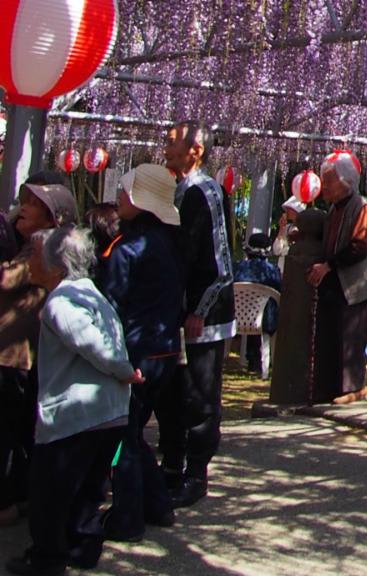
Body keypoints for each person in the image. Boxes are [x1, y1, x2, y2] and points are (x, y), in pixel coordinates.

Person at [9, 226, 133, 576]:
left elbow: (93, 343)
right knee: (88, 492)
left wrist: (124, 370)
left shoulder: (62, 302)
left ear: (57, 264)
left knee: (50, 494)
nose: (29, 262)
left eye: (35, 255)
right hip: (107, 412)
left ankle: (48, 560)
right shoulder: (92, 293)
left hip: (76, 415)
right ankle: (81, 551)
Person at [98, 165, 183, 542]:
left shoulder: (125, 249)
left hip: (133, 353)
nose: (119, 198)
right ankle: (158, 504)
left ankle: (127, 517)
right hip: (165, 352)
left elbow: (110, 304)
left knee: (122, 439)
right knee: (132, 434)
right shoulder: (169, 245)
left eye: (126, 192)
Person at [156, 122, 233, 509]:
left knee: (201, 396)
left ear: (195, 151)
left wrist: (200, 309)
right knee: (171, 392)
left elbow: (221, 264)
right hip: (175, 312)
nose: (165, 148)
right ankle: (171, 463)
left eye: (172, 143)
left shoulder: (206, 192)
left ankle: (196, 473)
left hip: (206, 315)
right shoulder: (176, 190)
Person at [0, 178, 77, 527]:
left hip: (15, 356)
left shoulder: (43, 246)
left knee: (9, 433)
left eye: (32, 204)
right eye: (23, 201)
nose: (23, 208)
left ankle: (12, 500)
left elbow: (5, 280)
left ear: (52, 217)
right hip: (12, 353)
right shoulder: (30, 242)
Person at [307, 156, 367, 405]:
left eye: (329, 182)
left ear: (346, 182)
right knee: (329, 335)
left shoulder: (362, 206)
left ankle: (354, 388)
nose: (324, 187)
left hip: (354, 283)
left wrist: (329, 265)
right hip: (333, 280)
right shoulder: (333, 210)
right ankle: (326, 388)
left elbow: (360, 245)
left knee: (351, 335)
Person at [232, 232, 282, 375]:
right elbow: (280, 289)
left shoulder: (237, 267)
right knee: (268, 307)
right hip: (265, 321)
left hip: (236, 317)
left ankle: (251, 359)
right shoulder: (272, 271)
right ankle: (260, 362)